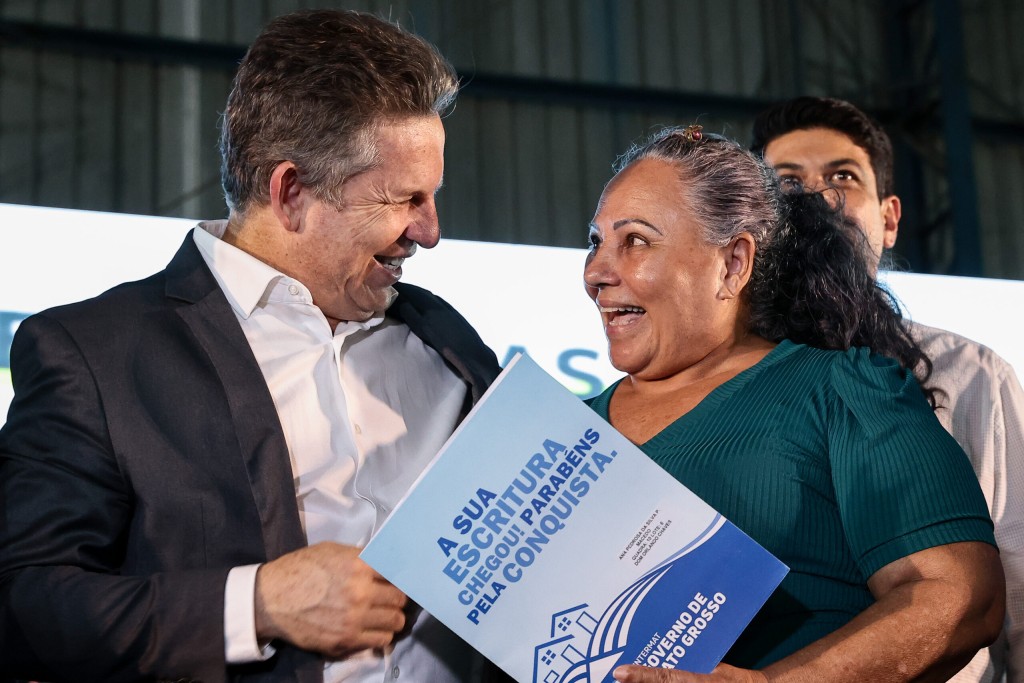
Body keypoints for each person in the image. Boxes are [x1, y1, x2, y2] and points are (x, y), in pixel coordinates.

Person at [0, 10, 502, 683]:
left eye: (432, 195)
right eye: (404, 198)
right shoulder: (93, 355)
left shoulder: (446, 338)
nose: (430, 231)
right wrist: (256, 604)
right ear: (291, 192)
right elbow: (23, 606)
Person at [581, 125, 1005, 682]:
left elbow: (961, 596)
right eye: (595, 242)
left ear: (733, 263)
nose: (596, 274)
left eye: (635, 240)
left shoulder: (841, 392)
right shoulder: (566, 433)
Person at [751, 96, 1024, 683]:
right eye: (787, 181)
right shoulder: (724, 381)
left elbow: (1021, 575)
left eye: (843, 177)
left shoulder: (974, 375)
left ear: (890, 218)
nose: (817, 197)